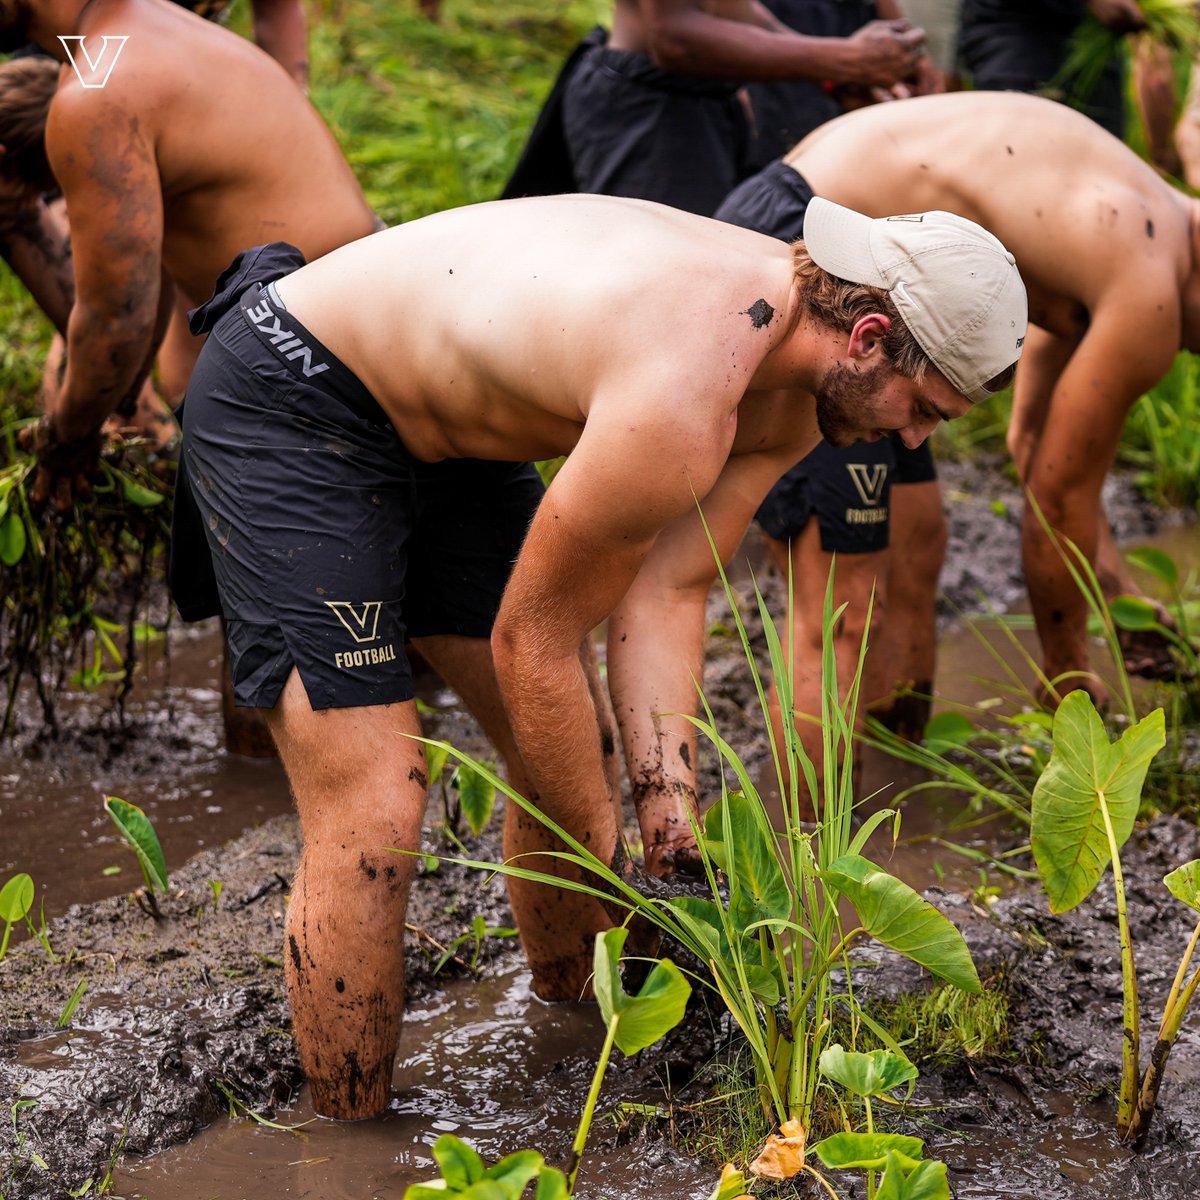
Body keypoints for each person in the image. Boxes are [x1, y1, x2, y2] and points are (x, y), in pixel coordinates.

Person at [172, 193, 1026, 1119]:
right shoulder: (687, 387)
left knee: (571, 753)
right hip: (295, 393)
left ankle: (576, 1029)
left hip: (452, 436)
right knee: (379, 800)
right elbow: (528, 643)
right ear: (866, 336)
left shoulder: (788, 396)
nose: (913, 441)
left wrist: (672, 833)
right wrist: (620, 882)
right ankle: (345, 1144)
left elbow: (669, 590)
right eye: (924, 409)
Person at [715, 89, 1196, 744]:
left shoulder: (1122, 239)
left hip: (902, 287)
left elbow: (1032, 444)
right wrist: (1068, 675)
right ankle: (810, 838)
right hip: (820, 243)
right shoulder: (1148, 285)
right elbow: (1058, 502)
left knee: (918, 543)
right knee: (841, 606)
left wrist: (1120, 597)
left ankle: (891, 792)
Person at [0, 0, 377, 510]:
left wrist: (66, 438)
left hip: (320, 360)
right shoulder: (150, 25)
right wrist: (123, 396)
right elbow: (142, 285)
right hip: (367, 299)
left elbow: (116, 319)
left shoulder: (95, 95)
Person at [502, 0, 925, 210]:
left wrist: (833, 73)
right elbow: (673, 35)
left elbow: (730, 5)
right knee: (666, 295)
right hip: (648, 109)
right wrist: (845, 58)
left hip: (701, 107)